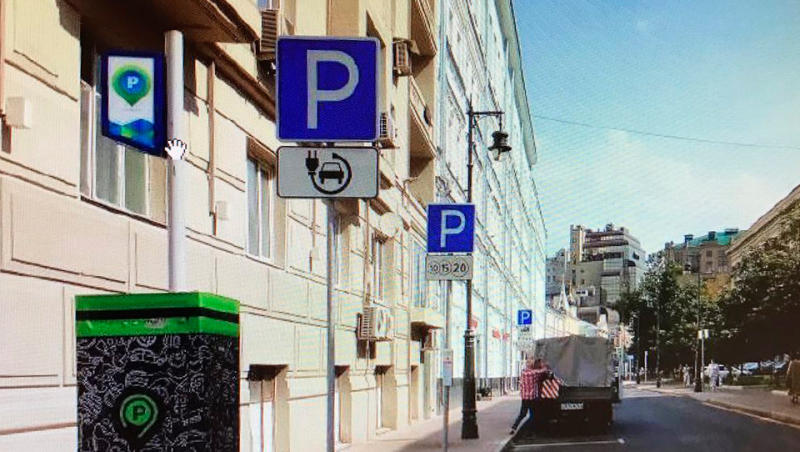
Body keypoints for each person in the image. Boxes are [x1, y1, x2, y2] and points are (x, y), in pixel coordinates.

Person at [510, 358, 547, 434]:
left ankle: (514, 427)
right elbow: (543, 370)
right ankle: (529, 431)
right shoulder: (533, 373)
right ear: (532, 365)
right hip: (531, 398)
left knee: (522, 414)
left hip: (524, 397)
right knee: (533, 415)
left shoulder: (523, 372)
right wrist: (544, 365)